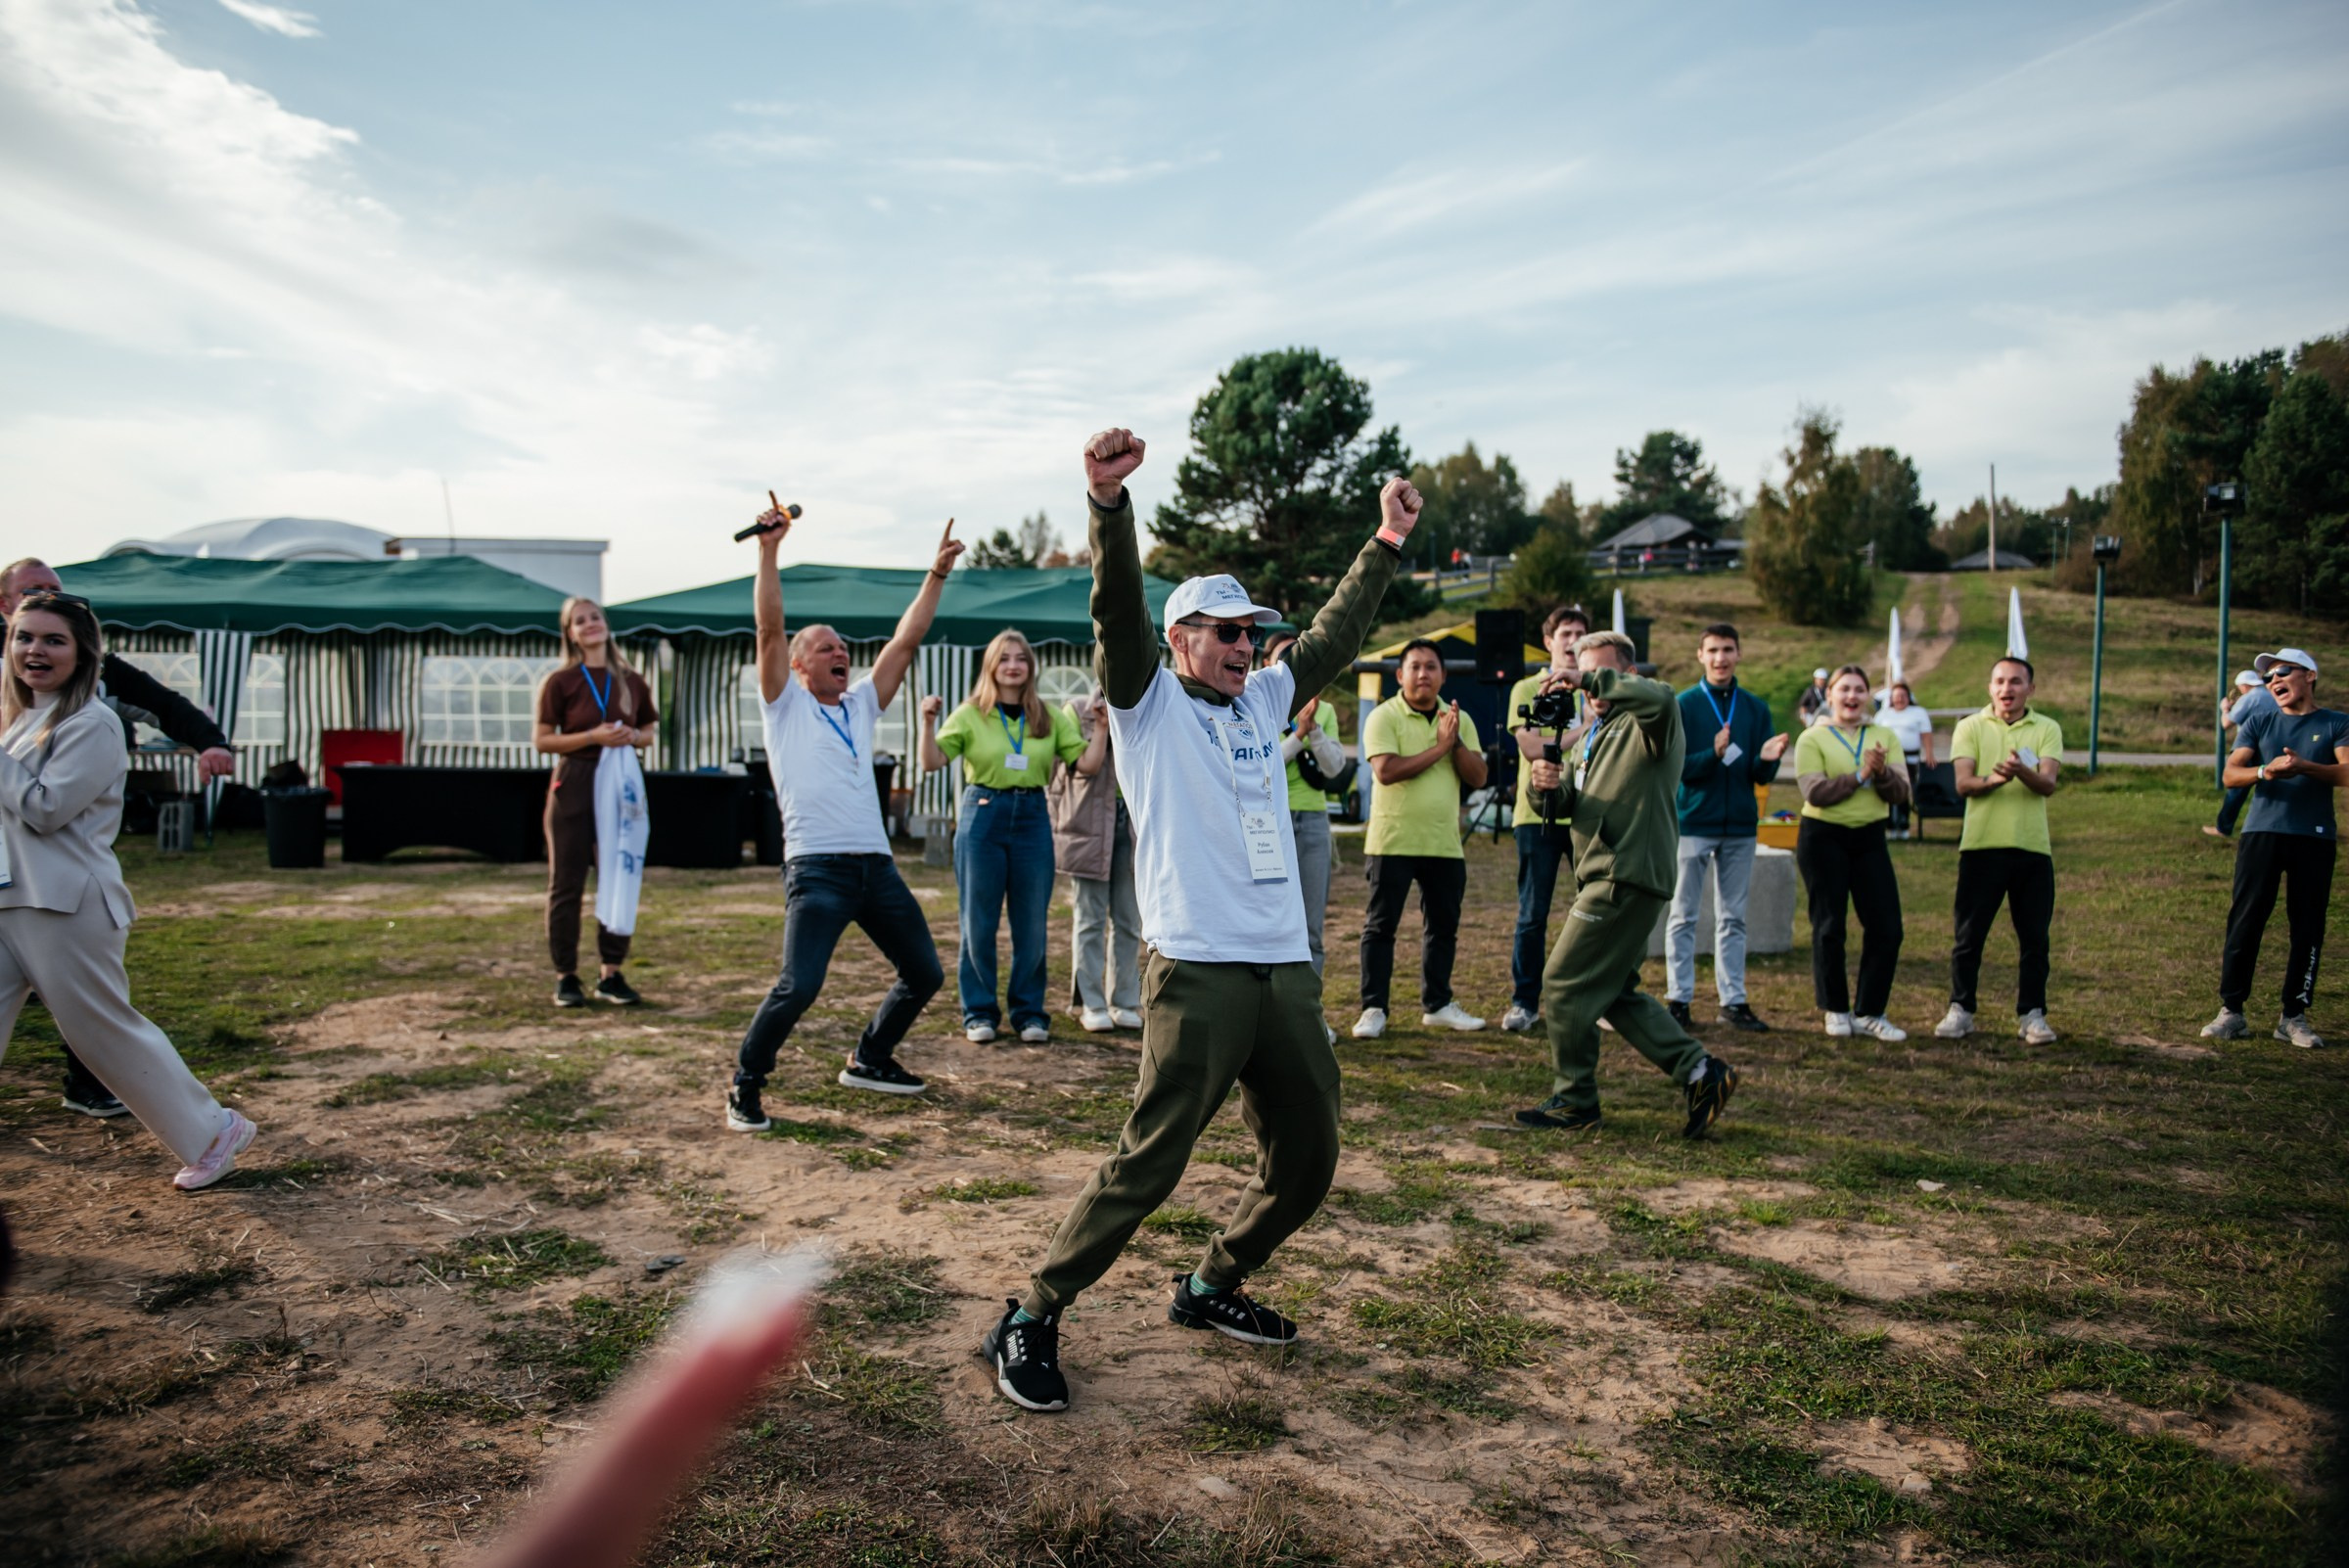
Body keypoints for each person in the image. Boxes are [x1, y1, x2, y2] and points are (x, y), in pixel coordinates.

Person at [980, 428, 1415, 1415]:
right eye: (1222, 631)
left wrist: (1383, 544)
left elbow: (1334, 639)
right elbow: (1116, 610)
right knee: (1151, 1160)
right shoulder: (1145, 703)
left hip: (1283, 971)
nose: (1243, 646)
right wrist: (1106, 506)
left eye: (1249, 632)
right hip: (1198, 970)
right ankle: (1034, 1314)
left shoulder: (1264, 699)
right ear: (1181, 640)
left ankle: (1214, 1282)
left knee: (1310, 1156)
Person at [0, 590, 257, 1189]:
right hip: (12, 897)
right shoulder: (20, 719)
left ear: (84, 652)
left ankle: (214, 1131)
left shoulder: (94, 722)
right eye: (24, 637)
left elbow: (46, 809)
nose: (35, 651)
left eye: (53, 640)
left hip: (67, 905)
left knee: (100, 1031)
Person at [723, 510, 960, 1130]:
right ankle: (746, 1084)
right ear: (799, 664)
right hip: (817, 869)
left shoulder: (857, 705)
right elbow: (768, 627)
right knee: (798, 987)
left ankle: (870, 1057)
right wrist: (769, 553)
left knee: (925, 972)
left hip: (875, 867)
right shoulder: (784, 705)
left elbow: (904, 642)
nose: (840, 652)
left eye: (842, 646)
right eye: (825, 646)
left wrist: (935, 574)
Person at [1508, 631, 1740, 1135]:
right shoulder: (1598, 731)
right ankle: (1702, 1073)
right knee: (1612, 989)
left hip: (1623, 875)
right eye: (1582, 675)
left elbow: (1660, 697)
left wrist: (1585, 676)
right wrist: (1544, 784)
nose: (1588, 687)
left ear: (1627, 675)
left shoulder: (1648, 719)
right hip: (1610, 874)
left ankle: (1576, 1100)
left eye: (1598, 674)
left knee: (1564, 982)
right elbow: (1572, 803)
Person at [920, 629, 1084, 1043]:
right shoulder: (970, 713)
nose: (1013, 665)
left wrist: (1099, 729)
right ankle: (979, 1013)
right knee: (978, 921)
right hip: (983, 816)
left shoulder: (1048, 716)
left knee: (1031, 923)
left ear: (1031, 667)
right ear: (991, 666)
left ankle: (1029, 1013)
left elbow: (1088, 765)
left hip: (1033, 816)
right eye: (1004, 658)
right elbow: (931, 762)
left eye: (1021, 659)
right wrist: (926, 722)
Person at [2202, 648, 2348, 1049]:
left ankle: (2293, 1017)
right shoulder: (2260, 720)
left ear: (2310, 676)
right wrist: (2266, 770)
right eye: (2268, 678)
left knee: (2307, 926)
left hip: (2314, 837)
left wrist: (2306, 768)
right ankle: (2232, 1012)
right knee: (2246, 918)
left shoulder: (2337, 722)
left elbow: (2347, 772)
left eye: (2282, 672)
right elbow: (2231, 774)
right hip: (2261, 833)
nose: (2273, 681)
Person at [1354, 637, 1488, 1038]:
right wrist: (1441, 747)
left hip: (1443, 843)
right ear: (1400, 675)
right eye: (1414, 666)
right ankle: (1373, 1008)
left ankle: (1438, 1003)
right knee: (1380, 927)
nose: (1423, 674)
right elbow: (1387, 771)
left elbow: (1479, 777)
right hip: (1391, 841)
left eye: (1431, 667)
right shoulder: (1383, 715)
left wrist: (1455, 741)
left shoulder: (1457, 719)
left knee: (1443, 927)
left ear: (1444, 676)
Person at [534, 597, 658, 1009]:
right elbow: (543, 740)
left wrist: (631, 737)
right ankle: (566, 975)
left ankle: (611, 971)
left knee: (619, 871)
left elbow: (649, 731)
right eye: (579, 620)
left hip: (620, 779)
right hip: (575, 780)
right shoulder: (561, 681)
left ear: (606, 624)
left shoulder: (632, 680)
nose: (590, 625)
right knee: (567, 882)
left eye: (595, 617)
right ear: (570, 632)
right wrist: (592, 737)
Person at [1934, 658, 2063, 1045]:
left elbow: (2048, 783)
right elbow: (1963, 783)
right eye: (2000, 682)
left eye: (2016, 682)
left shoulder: (2047, 728)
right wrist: (1997, 778)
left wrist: (2022, 773)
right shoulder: (1970, 727)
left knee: (2034, 939)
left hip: (2032, 848)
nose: (2007, 689)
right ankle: (1961, 1009)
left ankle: (2032, 1014)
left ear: (2031, 689)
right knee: (1969, 936)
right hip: (1981, 846)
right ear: (1990, 688)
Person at [1667, 623, 1789, 1033]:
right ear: (1700, 655)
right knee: (1683, 915)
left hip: (1740, 826)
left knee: (1733, 917)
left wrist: (1769, 758)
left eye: (1728, 650)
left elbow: (1758, 775)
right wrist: (1713, 754)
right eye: (1713, 650)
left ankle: (1732, 1001)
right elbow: (1678, 768)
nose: (1721, 658)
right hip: (1693, 823)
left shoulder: (1755, 708)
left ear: (1739, 654)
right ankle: (1679, 999)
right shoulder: (1684, 705)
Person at [1792, 665, 1911, 1040]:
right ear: (1830, 696)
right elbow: (1817, 794)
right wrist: (1862, 775)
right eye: (1844, 690)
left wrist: (1880, 774)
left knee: (1887, 926)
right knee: (1830, 925)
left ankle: (1871, 1011)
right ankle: (1836, 1008)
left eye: (1859, 690)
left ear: (1867, 697)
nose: (1852, 697)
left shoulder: (1883, 735)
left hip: (1870, 837)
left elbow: (1900, 793)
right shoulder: (1813, 737)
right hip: (1822, 837)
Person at [1502, 605, 1589, 1034]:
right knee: (1533, 914)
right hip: (1536, 815)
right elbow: (1534, 748)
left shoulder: (1595, 692)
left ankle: (1597, 998)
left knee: (1593, 912)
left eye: (1581, 634)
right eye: (1566, 633)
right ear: (1549, 641)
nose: (1573, 642)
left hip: (1589, 816)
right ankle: (1524, 1002)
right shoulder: (1525, 688)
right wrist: (1588, 729)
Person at [1045, 687, 1136, 1033]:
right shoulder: (1077, 710)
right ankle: (1091, 1002)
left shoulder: (1147, 706)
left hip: (1132, 823)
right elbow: (1061, 775)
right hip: (1089, 824)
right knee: (1090, 917)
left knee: (1128, 919)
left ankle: (1124, 1000)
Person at [1262, 630, 1348, 988]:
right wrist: (1298, 736)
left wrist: (1314, 731)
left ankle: (1307, 1017)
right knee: (1269, 923)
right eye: (1283, 659)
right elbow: (1263, 768)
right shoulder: (1257, 705)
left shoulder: (1323, 709)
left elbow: (1334, 767)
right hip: (1267, 823)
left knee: (1311, 925)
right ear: (1266, 665)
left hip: (1312, 821)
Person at [2205, 670, 2274, 841]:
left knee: (2236, 789)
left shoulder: (2249, 698)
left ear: (2244, 685)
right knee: (2271, 789)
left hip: (2248, 750)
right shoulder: (2271, 696)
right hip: (2271, 747)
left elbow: (2226, 723)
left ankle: (2223, 827)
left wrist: (2225, 709)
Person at [1874, 681, 1935, 840]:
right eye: (1896, 696)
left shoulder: (1918, 712)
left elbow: (1926, 734)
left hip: (1910, 759)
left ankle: (1903, 823)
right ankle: (1889, 825)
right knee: (1887, 790)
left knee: (1904, 791)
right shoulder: (1883, 714)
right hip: (1887, 759)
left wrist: (1929, 753)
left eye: (1903, 696)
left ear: (1908, 697)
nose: (1900, 699)